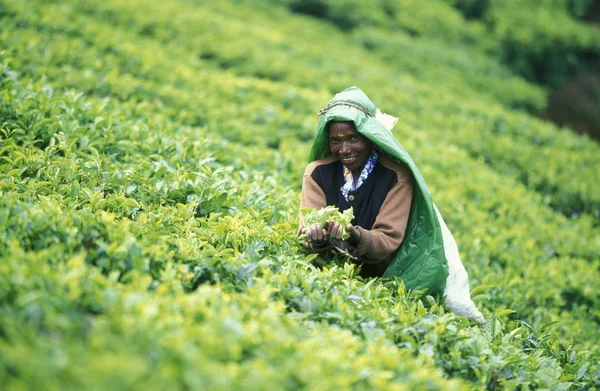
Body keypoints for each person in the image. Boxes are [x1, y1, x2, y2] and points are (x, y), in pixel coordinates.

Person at [298, 86, 449, 296]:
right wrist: (318, 239)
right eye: (335, 140)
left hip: (378, 285)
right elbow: (306, 230)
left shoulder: (396, 177)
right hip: (325, 278)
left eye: (353, 138)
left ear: (369, 136)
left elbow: (387, 240)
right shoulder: (317, 173)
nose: (344, 149)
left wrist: (354, 235)